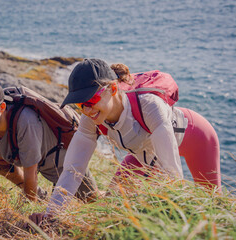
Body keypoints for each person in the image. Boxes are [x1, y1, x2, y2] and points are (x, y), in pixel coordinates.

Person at [29, 58, 221, 223]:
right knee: (111, 206)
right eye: (80, 104)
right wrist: (51, 216)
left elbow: (172, 173)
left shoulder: (149, 106)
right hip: (144, 155)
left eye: (90, 100)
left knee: (213, 205)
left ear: (112, 88)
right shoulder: (91, 119)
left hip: (197, 137)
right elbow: (73, 170)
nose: (87, 110)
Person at [0, 80, 98, 202]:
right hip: (33, 159)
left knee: (93, 200)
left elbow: (31, 173)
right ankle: (39, 196)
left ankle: (116, 195)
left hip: (64, 163)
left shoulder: (26, 121)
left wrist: (27, 210)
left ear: (2, 107)